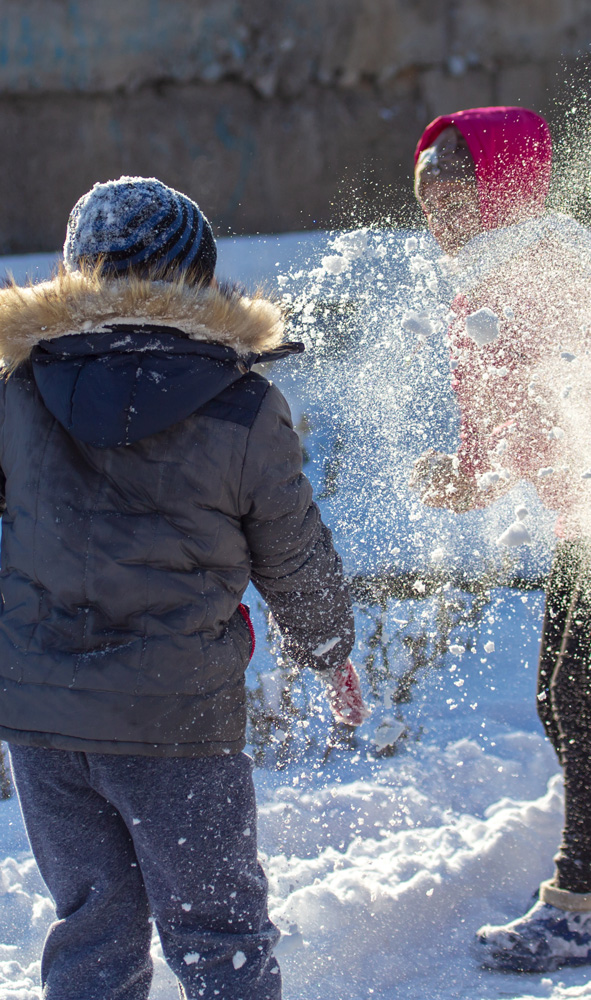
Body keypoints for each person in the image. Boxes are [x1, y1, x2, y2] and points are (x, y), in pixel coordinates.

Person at [0, 176, 366, 1000]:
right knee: (218, 935)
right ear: (198, 282)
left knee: (92, 928)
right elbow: (292, 548)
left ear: (72, 274)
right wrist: (327, 646)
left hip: (44, 725)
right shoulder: (242, 405)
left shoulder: (16, 397)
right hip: (177, 722)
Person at [410, 106, 591, 973]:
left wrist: (487, 462)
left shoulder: (550, 268)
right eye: (426, 201)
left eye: (456, 195)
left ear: (504, 190)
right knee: (562, 697)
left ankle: (584, 905)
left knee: (577, 695)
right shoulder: (479, 295)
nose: (439, 216)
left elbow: (579, 398)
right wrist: (462, 484)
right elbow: (501, 450)